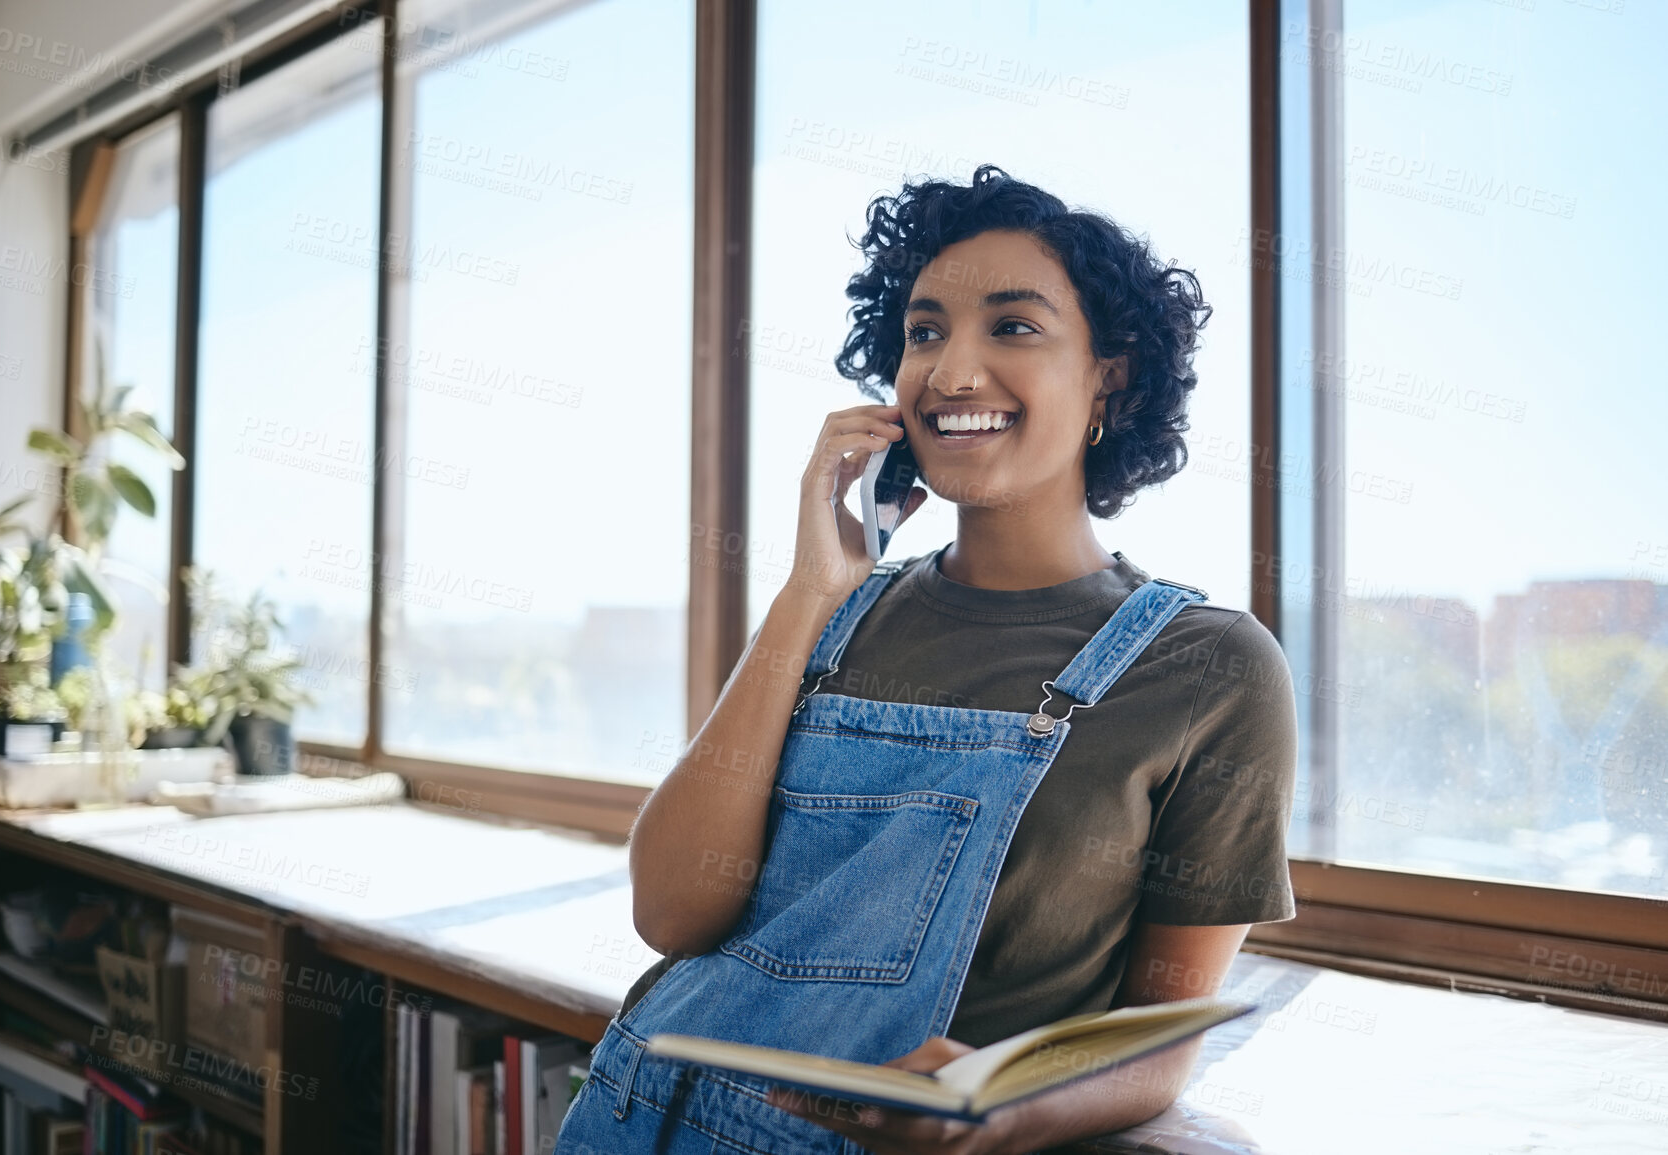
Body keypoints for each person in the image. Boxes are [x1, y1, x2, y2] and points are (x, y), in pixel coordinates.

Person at [555, 164, 1297, 1155]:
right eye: (924, 331)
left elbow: (1156, 1044)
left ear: (1108, 374)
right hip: (642, 1118)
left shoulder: (1211, 669)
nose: (951, 373)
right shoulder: (835, 612)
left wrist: (1004, 1114)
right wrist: (806, 593)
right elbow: (674, 908)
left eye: (1014, 326)